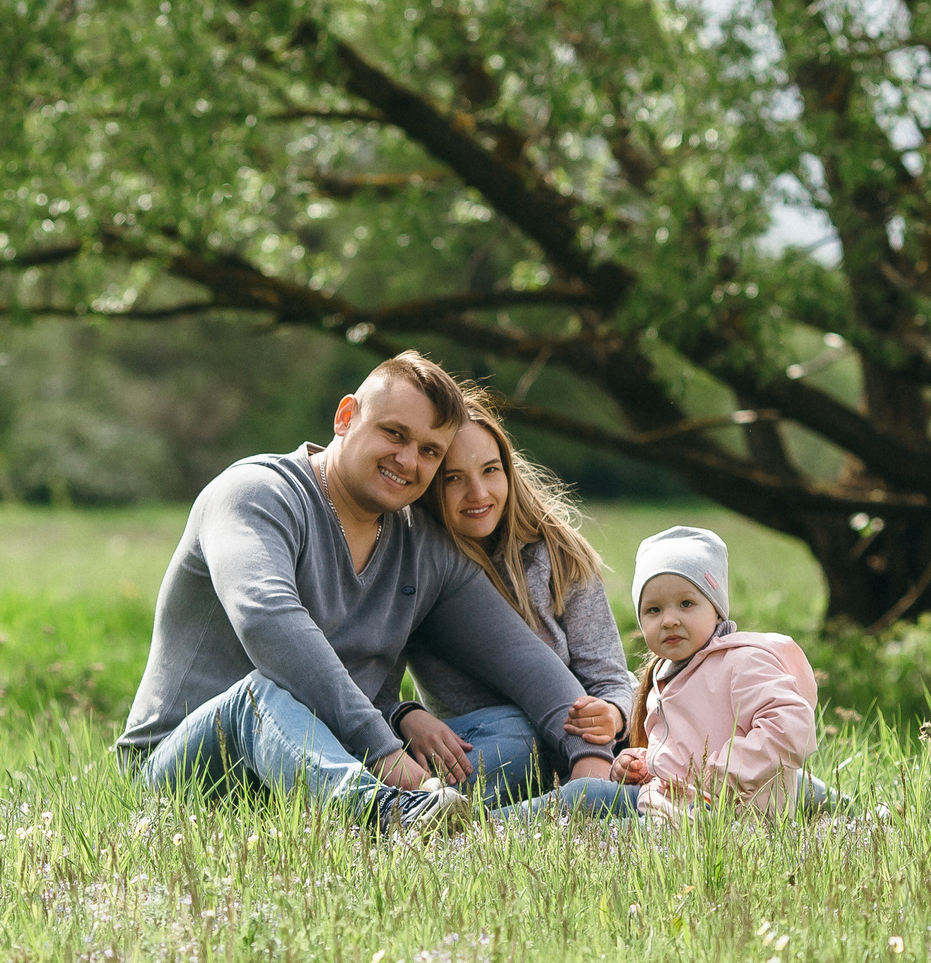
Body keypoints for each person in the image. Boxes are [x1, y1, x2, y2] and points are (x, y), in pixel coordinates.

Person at [116, 351, 611, 831]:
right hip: (191, 769)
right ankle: (394, 819)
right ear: (346, 416)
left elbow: (520, 657)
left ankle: (464, 824)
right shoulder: (255, 494)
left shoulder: (421, 542)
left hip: (340, 764)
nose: (407, 460)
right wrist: (383, 749)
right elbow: (267, 619)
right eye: (394, 434)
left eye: (429, 452)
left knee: (514, 732)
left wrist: (590, 759)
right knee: (259, 697)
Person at [495, 524, 820, 822]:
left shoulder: (741, 663)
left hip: (725, 814)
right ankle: (477, 822)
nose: (669, 620)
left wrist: (721, 776)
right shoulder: (666, 675)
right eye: (654, 609)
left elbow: (791, 725)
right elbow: (685, 749)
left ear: (717, 608)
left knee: (589, 799)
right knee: (588, 795)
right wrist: (644, 763)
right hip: (673, 804)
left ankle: (485, 824)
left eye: (686, 604)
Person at [398, 396, 630, 798]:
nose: (478, 492)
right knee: (517, 734)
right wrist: (405, 714)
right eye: (453, 478)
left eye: (490, 470)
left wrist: (612, 714)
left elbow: (608, 675)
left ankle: (575, 803)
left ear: (509, 471)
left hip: (579, 747)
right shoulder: (417, 568)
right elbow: (365, 674)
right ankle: (568, 807)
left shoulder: (557, 555)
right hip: (483, 749)